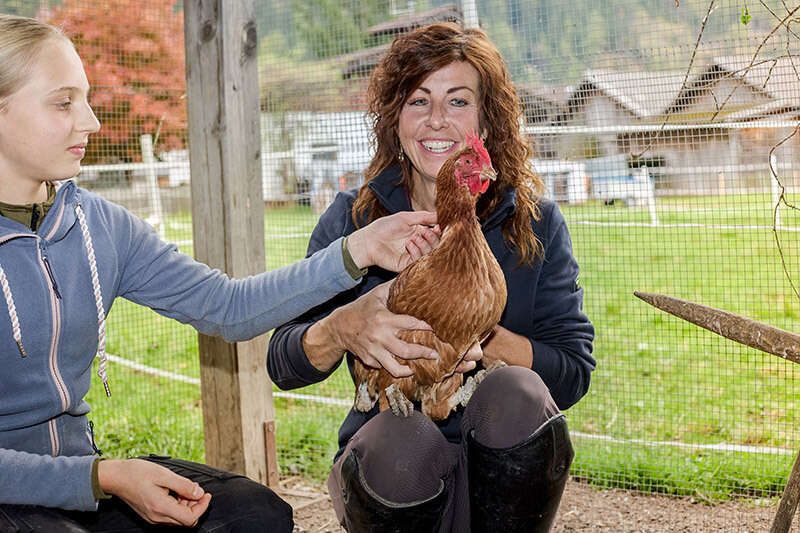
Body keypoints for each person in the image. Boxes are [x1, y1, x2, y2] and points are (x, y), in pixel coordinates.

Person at [0, 13, 443, 533]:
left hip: (83, 477)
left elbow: (227, 308)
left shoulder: (98, 225)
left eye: (87, 97)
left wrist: (357, 249)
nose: (91, 121)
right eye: (63, 101)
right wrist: (104, 478)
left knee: (256, 516)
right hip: (39, 485)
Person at [268, 22, 596, 532]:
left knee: (518, 394)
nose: (437, 121)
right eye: (419, 101)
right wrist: (342, 327)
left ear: (485, 123)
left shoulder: (533, 226)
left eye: (458, 102)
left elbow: (573, 370)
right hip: (392, 475)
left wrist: (480, 338)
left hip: (503, 469)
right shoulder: (355, 222)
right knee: (401, 439)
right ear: (395, 120)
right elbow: (283, 361)